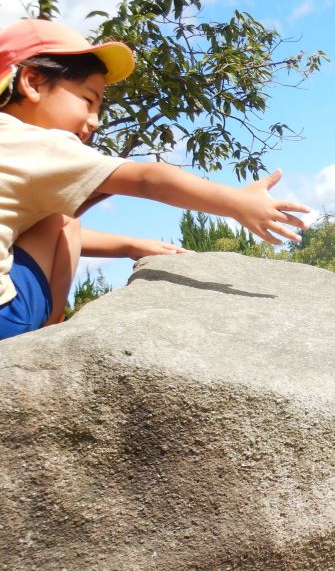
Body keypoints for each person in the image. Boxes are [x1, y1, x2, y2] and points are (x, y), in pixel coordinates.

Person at [0, 18, 309, 339]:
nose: (94, 121)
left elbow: (43, 235)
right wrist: (237, 203)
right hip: (7, 318)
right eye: (88, 100)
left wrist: (132, 245)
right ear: (33, 82)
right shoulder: (42, 145)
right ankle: (48, 333)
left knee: (52, 215)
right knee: (61, 215)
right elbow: (148, 178)